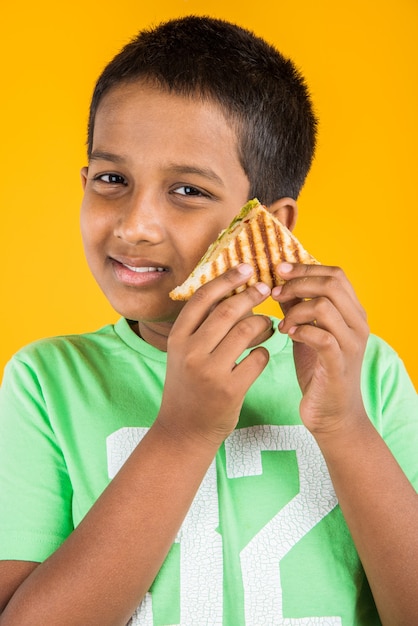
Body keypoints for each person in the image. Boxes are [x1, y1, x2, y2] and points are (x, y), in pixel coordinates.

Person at [0, 15, 417, 626]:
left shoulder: (364, 373)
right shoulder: (48, 381)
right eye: (112, 179)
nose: (135, 224)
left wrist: (346, 423)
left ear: (268, 228)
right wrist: (181, 433)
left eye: (188, 191)